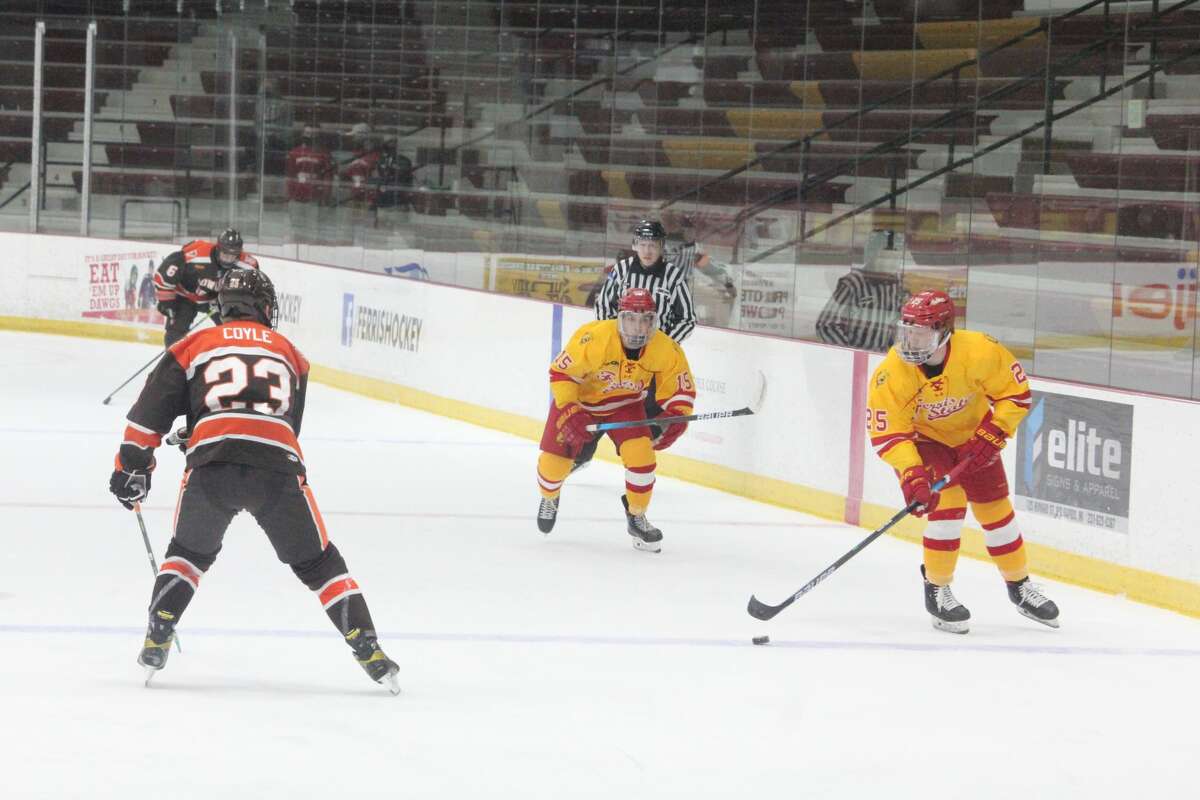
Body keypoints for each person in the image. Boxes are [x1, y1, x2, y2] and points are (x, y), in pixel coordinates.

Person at [108, 269, 400, 693]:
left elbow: (148, 413)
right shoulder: (291, 354)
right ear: (264, 307)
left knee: (187, 555)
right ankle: (368, 646)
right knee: (319, 564)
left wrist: (132, 467)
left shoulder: (194, 344)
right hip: (276, 466)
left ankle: (160, 628)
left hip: (212, 463)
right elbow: (281, 423)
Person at [866, 289, 1060, 634]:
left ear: (944, 330)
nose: (912, 339)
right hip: (926, 443)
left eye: (922, 331)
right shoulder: (891, 374)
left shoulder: (980, 350)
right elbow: (890, 435)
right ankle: (937, 588)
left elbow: (1015, 394)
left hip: (974, 437)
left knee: (997, 513)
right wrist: (913, 476)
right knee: (948, 508)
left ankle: (1020, 586)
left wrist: (993, 433)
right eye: (908, 330)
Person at [536, 287, 697, 553]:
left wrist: (677, 417)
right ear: (620, 318)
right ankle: (550, 497)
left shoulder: (665, 348)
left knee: (642, 459)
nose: (638, 327)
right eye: (631, 319)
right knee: (552, 470)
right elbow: (561, 374)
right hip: (580, 405)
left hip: (626, 406)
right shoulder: (594, 337)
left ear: (653, 320)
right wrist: (570, 410)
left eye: (645, 319)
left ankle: (637, 516)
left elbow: (680, 389)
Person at [577, 219, 698, 472]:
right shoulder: (621, 271)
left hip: (651, 365)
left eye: (653, 244)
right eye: (643, 244)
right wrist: (613, 341)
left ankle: (638, 466)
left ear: (661, 246)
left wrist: (662, 347)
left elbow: (687, 318)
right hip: (616, 358)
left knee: (643, 419)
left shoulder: (673, 276)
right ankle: (581, 455)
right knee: (600, 404)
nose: (647, 250)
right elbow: (603, 306)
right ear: (635, 245)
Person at [153, 228, 259, 346]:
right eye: (225, 254)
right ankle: (173, 360)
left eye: (232, 256)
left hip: (217, 301)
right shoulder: (196, 252)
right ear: (218, 248)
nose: (228, 259)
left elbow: (251, 290)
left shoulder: (248, 266)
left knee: (234, 333)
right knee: (175, 334)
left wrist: (221, 291)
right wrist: (166, 302)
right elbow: (165, 274)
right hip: (185, 297)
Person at [815, 229, 905, 353]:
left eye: (896, 257)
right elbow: (826, 325)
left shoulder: (898, 285)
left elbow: (898, 325)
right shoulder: (853, 283)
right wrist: (851, 354)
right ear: (872, 255)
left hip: (881, 360)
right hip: (852, 361)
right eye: (886, 257)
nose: (892, 263)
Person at [285, 126, 334, 205]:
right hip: (297, 196)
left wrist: (325, 197)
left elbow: (328, 178)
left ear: (318, 136)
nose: (310, 136)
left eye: (314, 134)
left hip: (315, 197)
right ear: (302, 134)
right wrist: (289, 196)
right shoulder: (294, 152)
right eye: (307, 133)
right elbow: (290, 176)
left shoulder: (324, 154)